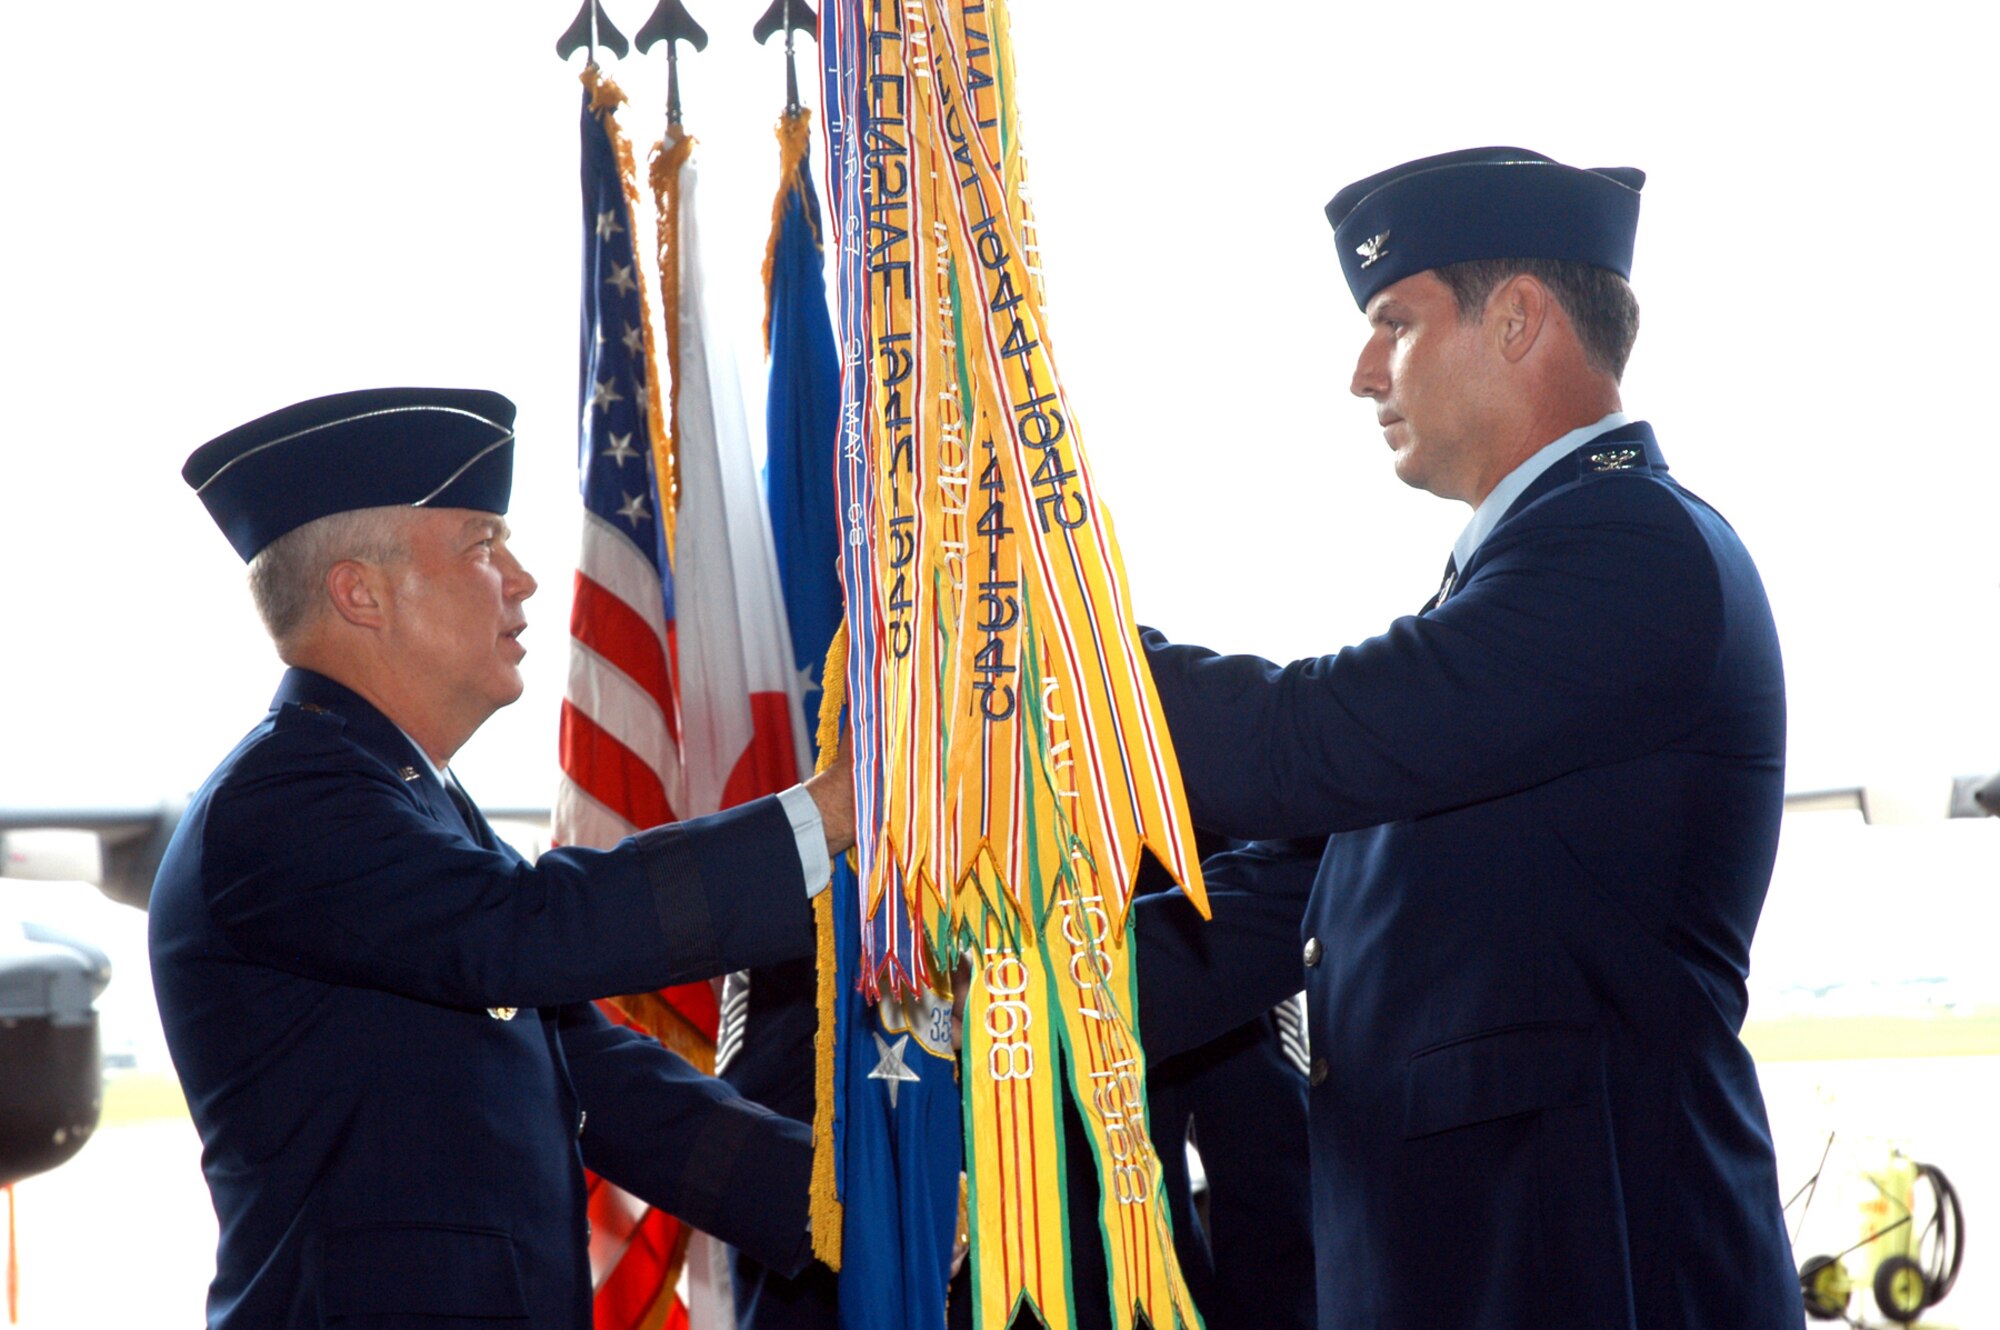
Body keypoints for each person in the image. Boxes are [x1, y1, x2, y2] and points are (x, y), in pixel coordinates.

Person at [1139, 148, 1799, 1328]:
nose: (1359, 372)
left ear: (1515, 320)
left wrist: (1040, 643)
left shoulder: (1628, 552)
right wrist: (973, 1011)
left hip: (1594, 1274)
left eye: (1391, 321)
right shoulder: (1521, 576)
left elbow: (1302, 742)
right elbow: (1287, 912)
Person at [150, 386, 854, 1329]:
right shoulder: (285, 800)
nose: (521, 580)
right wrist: (833, 812)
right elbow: (534, 929)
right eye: (484, 545)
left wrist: (839, 1203)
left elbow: (590, 1076)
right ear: (358, 591)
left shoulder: (408, 794)